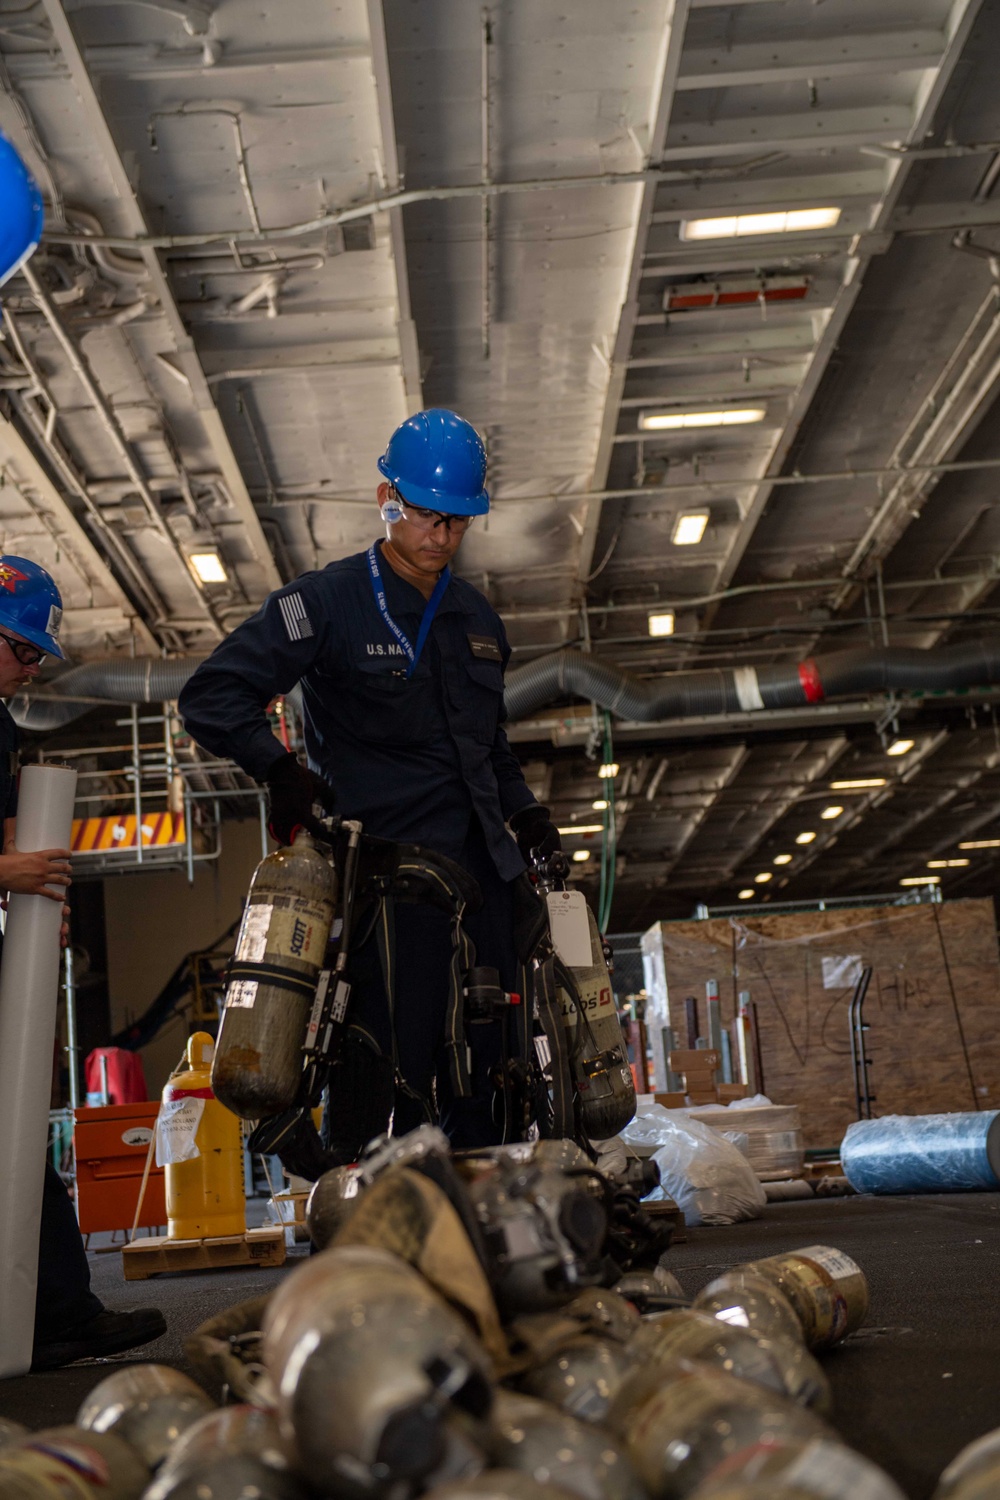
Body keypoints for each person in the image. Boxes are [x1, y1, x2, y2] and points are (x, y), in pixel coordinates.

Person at [179, 409, 562, 1163]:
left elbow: (488, 746)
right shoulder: (327, 601)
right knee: (389, 1063)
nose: (441, 536)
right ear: (387, 496)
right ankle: (353, 1216)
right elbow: (211, 695)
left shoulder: (478, 620)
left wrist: (527, 815)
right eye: (426, 515)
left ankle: (481, 1222)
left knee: (494, 1067)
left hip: (487, 878)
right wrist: (279, 768)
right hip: (389, 882)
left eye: (457, 521)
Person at [0, 556, 167, 1370]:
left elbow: (9, 836)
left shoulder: (0, 726)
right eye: (21, 651)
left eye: (36, 657)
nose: (30, 669)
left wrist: (38, 906)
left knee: (19, 1127)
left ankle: (58, 1311)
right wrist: (10, 877)